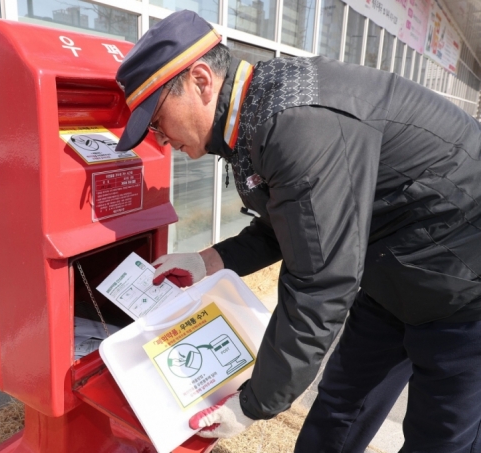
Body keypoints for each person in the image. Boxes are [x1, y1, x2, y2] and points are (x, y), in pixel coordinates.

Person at [114, 9, 481, 453]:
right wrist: (208, 260)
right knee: (340, 405)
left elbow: (319, 282)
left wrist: (253, 405)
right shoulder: (257, 111)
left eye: (156, 120)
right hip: (391, 267)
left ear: (201, 80)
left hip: (462, 283)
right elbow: (296, 222)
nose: (161, 139)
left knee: (439, 436)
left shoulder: (296, 123)